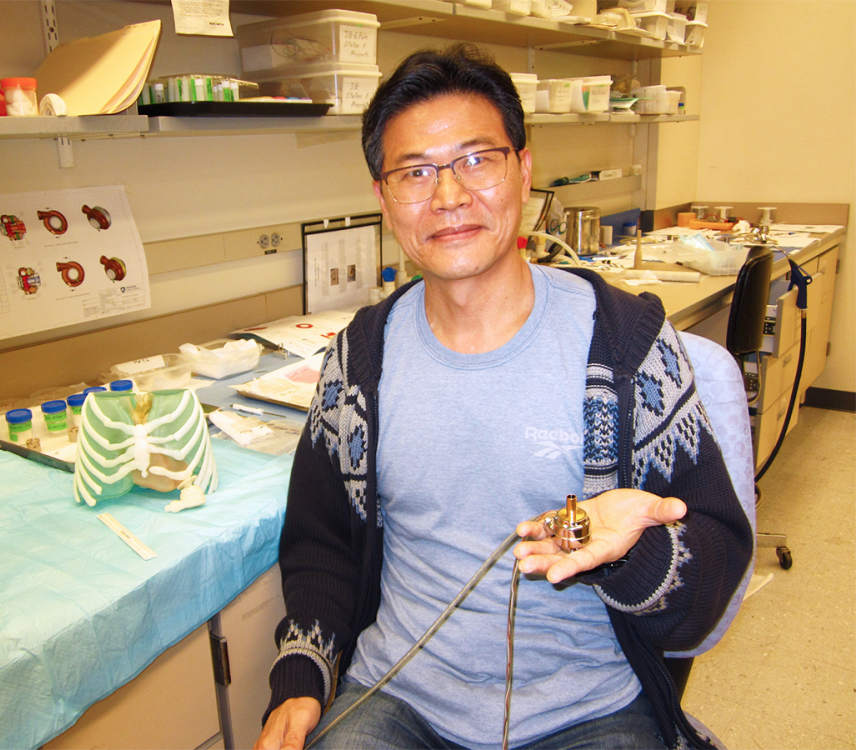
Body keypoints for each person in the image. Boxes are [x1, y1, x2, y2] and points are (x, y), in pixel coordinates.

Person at [255, 44, 752, 750]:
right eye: (416, 172)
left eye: (476, 160)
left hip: (590, 708)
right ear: (383, 197)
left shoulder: (625, 344)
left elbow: (712, 575)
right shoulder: (358, 363)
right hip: (401, 697)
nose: (449, 196)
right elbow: (321, 546)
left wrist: (624, 552)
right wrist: (302, 678)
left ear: (523, 169)